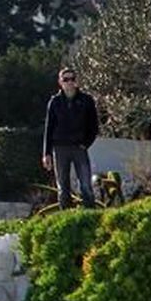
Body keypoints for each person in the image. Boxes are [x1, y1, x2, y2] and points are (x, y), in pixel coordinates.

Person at [41, 67, 100, 208]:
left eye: (72, 79)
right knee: (63, 187)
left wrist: (85, 143)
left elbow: (94, 126)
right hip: (60, 148)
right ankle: (66, 217)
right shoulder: (54, 102)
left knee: (85, 184)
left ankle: (90, 214)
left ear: (76, 81)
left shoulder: (86, 100)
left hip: (79, 147)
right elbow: (48, 129)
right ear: (60, 82)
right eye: (65, 79)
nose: (69, 82)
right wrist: (46, 153)